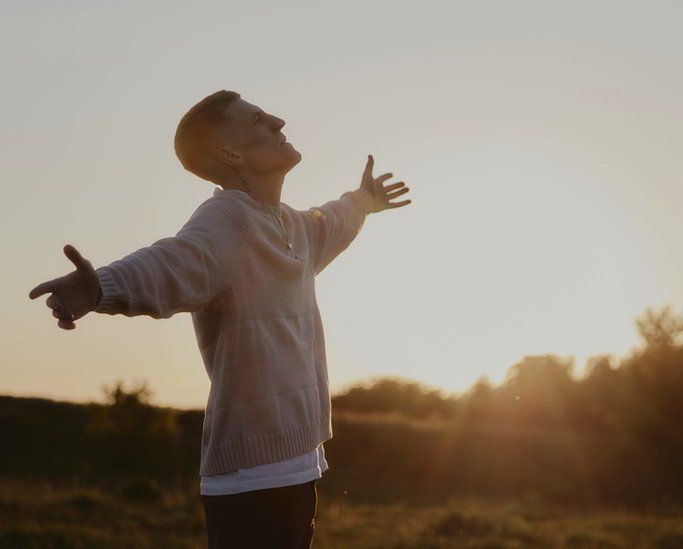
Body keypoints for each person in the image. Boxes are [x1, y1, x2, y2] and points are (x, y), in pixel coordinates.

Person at [28, 90, 411, 548]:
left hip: (297, 463)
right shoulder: (228, 220)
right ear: (230, 154)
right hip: (253, 479)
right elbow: (171, 262)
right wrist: (101, 287)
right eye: (258, 120)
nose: (278, 120)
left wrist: (362, 200)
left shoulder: (292, 226)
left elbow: (331, 221)